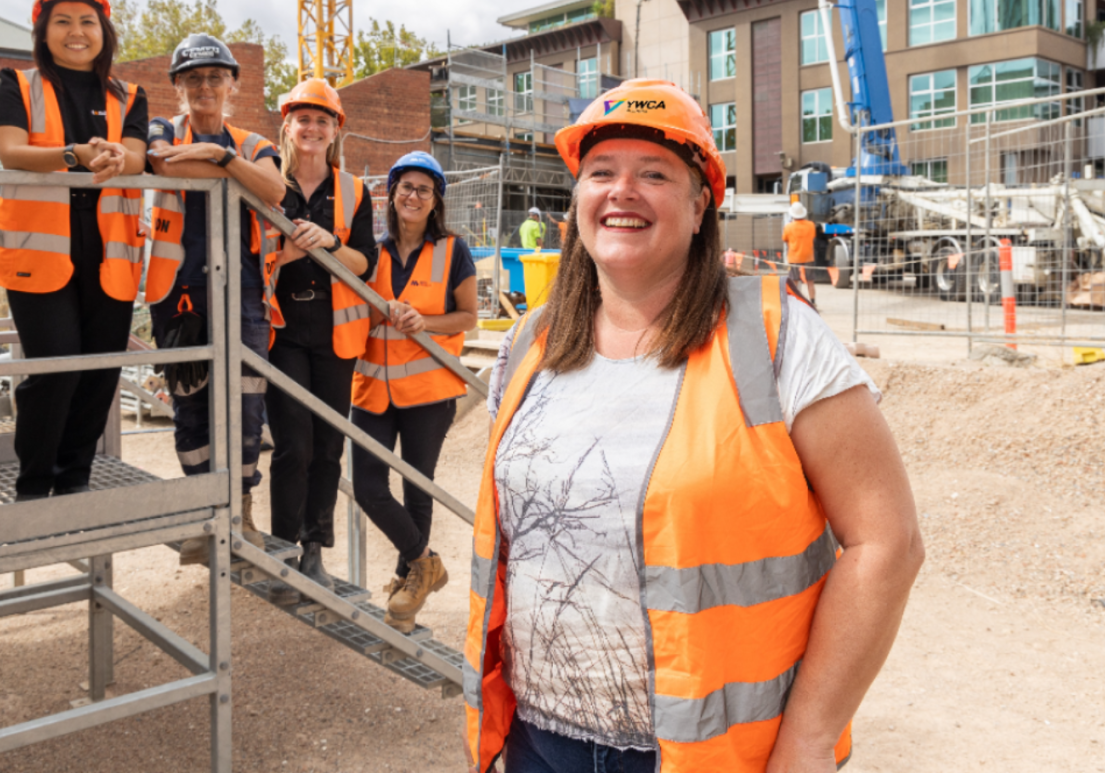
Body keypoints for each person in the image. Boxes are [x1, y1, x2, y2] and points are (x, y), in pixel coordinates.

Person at [464, 79, 924, 773]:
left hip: (713, 753)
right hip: (539, 741)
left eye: (654, 174)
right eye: (601, 173)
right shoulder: (530, 343)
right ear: (577, 199)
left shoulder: (773, 335)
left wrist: (809, 738)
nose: (622, 192)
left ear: (701, 201)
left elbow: (886, 542)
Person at [0, 0, 148, 501]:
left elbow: (138, 156)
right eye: (62, 21)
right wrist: (73, 156)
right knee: (56, 368)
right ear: (42, 30)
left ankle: (75, 478)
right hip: (40, 248)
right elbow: (10, 151)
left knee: (100, 370)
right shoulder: (17, 83)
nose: (76, 32)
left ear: (103, 29)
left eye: (87, 21)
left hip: (108, 250)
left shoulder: (129, 95)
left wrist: (114, 157)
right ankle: (35, 483)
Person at [144, 33, 287, 564]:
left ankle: (239, 511)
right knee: (190, 405)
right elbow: (163, 164)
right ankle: (203, 515)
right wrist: (226, 166)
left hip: (243, 289)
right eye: (193, 79)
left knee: (246, 404)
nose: (205, 87)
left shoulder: (249, 143)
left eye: (215, 78)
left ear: (232, 84)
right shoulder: (160, 129)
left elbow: (273, 190)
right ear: (178, 86)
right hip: (178, 291)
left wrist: (219, 154)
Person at [348, 151, 478, 632]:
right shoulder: (370, 252)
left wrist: (426, 322)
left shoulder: (454, 250)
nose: (413, 196)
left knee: (417, 489)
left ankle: (407, 591)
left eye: (424, 189)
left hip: (429, 391)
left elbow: (468, 317)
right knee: (368, 487)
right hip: (372, 390)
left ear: (435, 200)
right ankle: (426, 565)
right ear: (392, 193)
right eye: (406, 186)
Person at [265, 78, 377, 587]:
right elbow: (250, 255)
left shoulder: (352, 191)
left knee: (329, 446)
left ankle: (315, 549)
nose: (312, 128)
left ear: (336, 131)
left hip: (336, 335)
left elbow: (366, 265)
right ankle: (282, 545)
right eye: (303, 118)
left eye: (322, 120)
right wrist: (282, 255)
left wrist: (329, 242)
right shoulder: (268, 182)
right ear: (287, 124)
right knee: (294, 444)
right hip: (283, 330)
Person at [784, 200, 819, 302]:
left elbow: (785, 239)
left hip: (794, 257)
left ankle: (795, 300)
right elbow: (813, 237)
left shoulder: (788, 227)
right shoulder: (811, 225)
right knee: (810, 281)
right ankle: (813, 300)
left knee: (794, 281)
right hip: (808, 257)